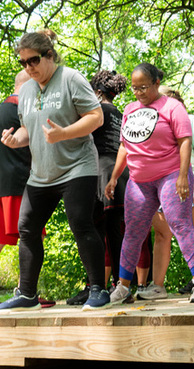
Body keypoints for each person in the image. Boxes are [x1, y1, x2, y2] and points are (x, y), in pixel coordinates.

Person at [0, 29, 108, 311]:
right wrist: (14, 139)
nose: (29, 67)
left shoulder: (71, 78)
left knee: (81, 222)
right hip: (41, 173)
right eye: (23, 63)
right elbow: (28, 131)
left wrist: (65, 133)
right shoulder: (28, 89)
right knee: (27, 227)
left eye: (33, 61)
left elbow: (96, 117)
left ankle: (99, 290)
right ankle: (28, 295)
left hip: (77, 167)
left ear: (49, 55)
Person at [105, 63, 194, 303]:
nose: (139, 92)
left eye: (143, 87)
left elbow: (185, 141)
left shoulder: (172, 107)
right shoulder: (130, 109)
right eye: (134, 88)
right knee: (133, 232)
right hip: (139, 180)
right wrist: (113, 176)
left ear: (157, 83)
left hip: (170, 175)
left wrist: (184, 175)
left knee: (180, 225)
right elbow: (124, 146)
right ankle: (122, 286)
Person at [0, 71, 55, 310]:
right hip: (19, 183)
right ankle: (25, 292)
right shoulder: (21, 109)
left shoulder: (0, 111)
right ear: (26, 85)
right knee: (33, 235)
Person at [65, 69, 151, 304]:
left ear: (98, 92)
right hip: (120, 173)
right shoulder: (120, 114)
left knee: (93, 230)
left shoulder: (97, 111)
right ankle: (121, 286)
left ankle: (96, 286)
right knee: (114, 231)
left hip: (100, 172)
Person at [140, 85, 194, 300]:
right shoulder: (151, 122)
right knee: (162, 234)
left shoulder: (190, 119)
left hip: (190, 181)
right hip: (161, 184)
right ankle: (158, 286)